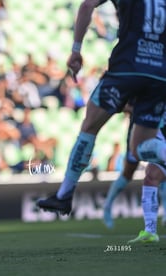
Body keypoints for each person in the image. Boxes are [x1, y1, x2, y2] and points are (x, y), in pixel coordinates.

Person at [37, 0, 166, 216]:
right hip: (159, 74)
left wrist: (76, 50)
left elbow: (87, 5)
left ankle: (64, 195)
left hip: (127, 68)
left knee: (90, 126)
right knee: (139, 148)